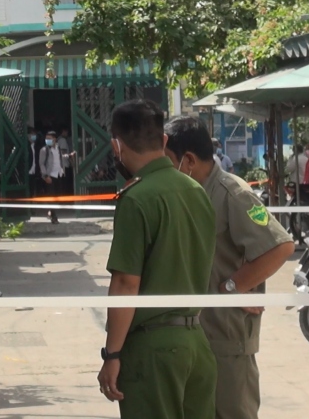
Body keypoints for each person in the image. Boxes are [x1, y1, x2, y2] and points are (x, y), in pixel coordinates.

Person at [164, 116, 294, 419]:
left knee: (231, 410)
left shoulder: (232, 193)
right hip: (195, 331)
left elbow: (280, 246)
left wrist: (234, 287)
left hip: (226, 335)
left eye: (168, 160)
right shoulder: (187, 192)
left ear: (189, 160)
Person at [97, 99, 217, 419]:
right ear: (163, 140)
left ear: (116, 146)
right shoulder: (196, 191)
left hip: (153, 349)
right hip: (196, 342)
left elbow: (126, 283)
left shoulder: (137, 198)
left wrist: (112, 354)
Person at [39, 130, 75, 224]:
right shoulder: (44, 150)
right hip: (50, 176)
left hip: (58, 174)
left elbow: (60, 157)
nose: (47, 140)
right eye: (46, 138)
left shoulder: (58, 148)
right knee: (51, 196)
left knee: (57, 196)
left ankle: (50, 211)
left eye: (49, 138)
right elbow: (41, 164)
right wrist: (45, 176)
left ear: (54, 139)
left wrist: (69, 156)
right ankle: (53, 216)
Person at [58, 128, 75, 195]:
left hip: (62, 165)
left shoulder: (58, 139)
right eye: (66, 132)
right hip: (64, 165)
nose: (67, 134)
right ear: (63, 131)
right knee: (65, 184)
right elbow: (64, 153)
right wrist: (71, 161)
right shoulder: (62, 140)